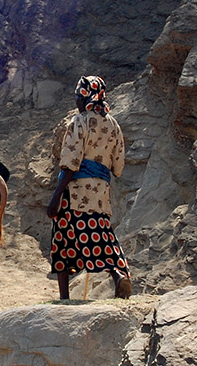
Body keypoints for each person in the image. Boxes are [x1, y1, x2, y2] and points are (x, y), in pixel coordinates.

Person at [46, 75, 131, 300]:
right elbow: (118, 166)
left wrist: (56, 196)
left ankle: (64, 297)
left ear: (84, 97)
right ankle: (118, 274)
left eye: (77, 96)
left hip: (75, 191)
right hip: (100, 193)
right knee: (100, 233)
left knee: (62, 239)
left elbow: (70, 161)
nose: (76, 101)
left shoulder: (80, 121)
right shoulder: (113, 125)